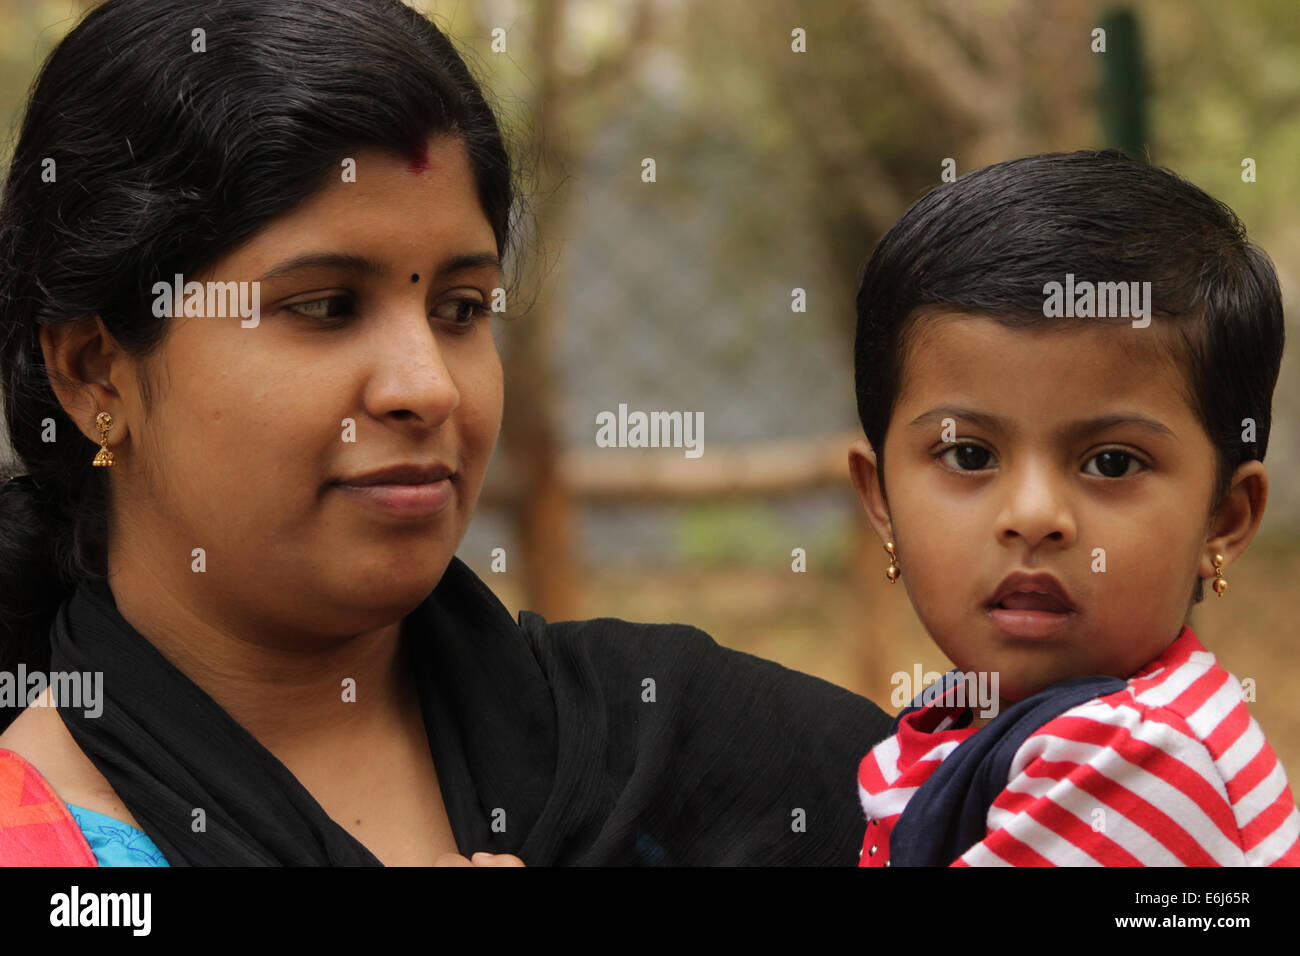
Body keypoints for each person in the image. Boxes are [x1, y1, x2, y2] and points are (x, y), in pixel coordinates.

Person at [0, 0, 893, 867]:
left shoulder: (685, 749)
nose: (428, 387)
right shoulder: (37, 838)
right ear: (92, 371)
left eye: (460, 309)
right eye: (325, 307)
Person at [845, 150, 1300, 866]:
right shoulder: (973, 715)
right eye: (969, 456)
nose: (1032, 516)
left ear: (1225, 518)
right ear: (882, 501)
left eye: (1112, 463)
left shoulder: (1135, 759)